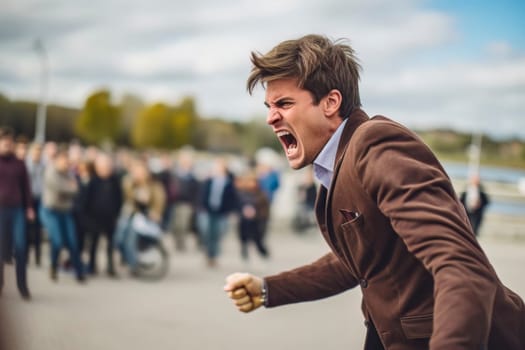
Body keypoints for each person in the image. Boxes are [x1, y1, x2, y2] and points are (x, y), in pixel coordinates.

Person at [224, 35, 525, 349]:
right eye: (269, 106)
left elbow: (461, 265)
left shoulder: (375, 144)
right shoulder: (337, 162)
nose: (271, 117)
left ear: (330, 102)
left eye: (284, 103)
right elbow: (359, 258)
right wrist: (268, 289)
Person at [41, 149, 85, 282]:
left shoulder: (69, 174)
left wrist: (70, 188)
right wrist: (70, 188)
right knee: (57, 240)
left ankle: (78, 271)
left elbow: (77, 189)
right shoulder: (50, 172)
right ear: (58, 160)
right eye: (64, 161)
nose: (67, 164)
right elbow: (60, 188)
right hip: (51, 211)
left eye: (68, 162)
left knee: (73, 241)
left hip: (66, 211)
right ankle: (53, 266)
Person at [0, 127, 34, 300]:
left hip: (17, 210)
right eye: (4, 141)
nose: (7, 144)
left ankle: (22, 286)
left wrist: (29, 207)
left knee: (20, 247)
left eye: (9, 141)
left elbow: (27, 187)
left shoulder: (19, 164)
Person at [115, 158, 165, 271]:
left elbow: (159, 201)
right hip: (129, 215)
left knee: (130, 241)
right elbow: (126, 197)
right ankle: (127, 258)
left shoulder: (153, 185)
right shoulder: (128, 182)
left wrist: (156, 212)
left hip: (142, 219)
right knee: (118, 239)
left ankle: (134, 265)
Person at [85, 154, 122, 277]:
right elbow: (87, 200)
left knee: (111, 244)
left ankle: (110, 267)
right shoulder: (93, 181)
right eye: (103, 166)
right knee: (94, 243)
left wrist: (117, 213)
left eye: (107, 166)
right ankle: (91, 266)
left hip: (110, 217)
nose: (106, 169)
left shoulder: (114, 180)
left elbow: (119, 198)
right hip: (95, 217)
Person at [198, 158, 238, 267]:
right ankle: (208, 254)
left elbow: (233, 198)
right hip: (208, 210)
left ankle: (214, 256)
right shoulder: (209, 180)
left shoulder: (229, 182)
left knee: (217, 234)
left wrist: (231, 211)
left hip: (221, 212)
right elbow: (202, 195)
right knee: (207, 233)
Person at [235, 172, 270, 261]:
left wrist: (256, 213)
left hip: (257, 220)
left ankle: (263, 253)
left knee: (257, 239)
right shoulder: (242, 193)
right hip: (245, 220)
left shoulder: (261, 194)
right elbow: (238, 204)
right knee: (244, 237)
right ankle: (245, 251)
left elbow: (265, 208)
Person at [25, 143, 46, 266]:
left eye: (39, 152)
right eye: (35, 152)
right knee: (28, 228)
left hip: (40, 198)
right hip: (29, 198)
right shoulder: (27, 165)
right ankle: (26, 255)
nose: (37, 155)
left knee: (38, 229)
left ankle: (38, 256)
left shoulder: (43, 165)